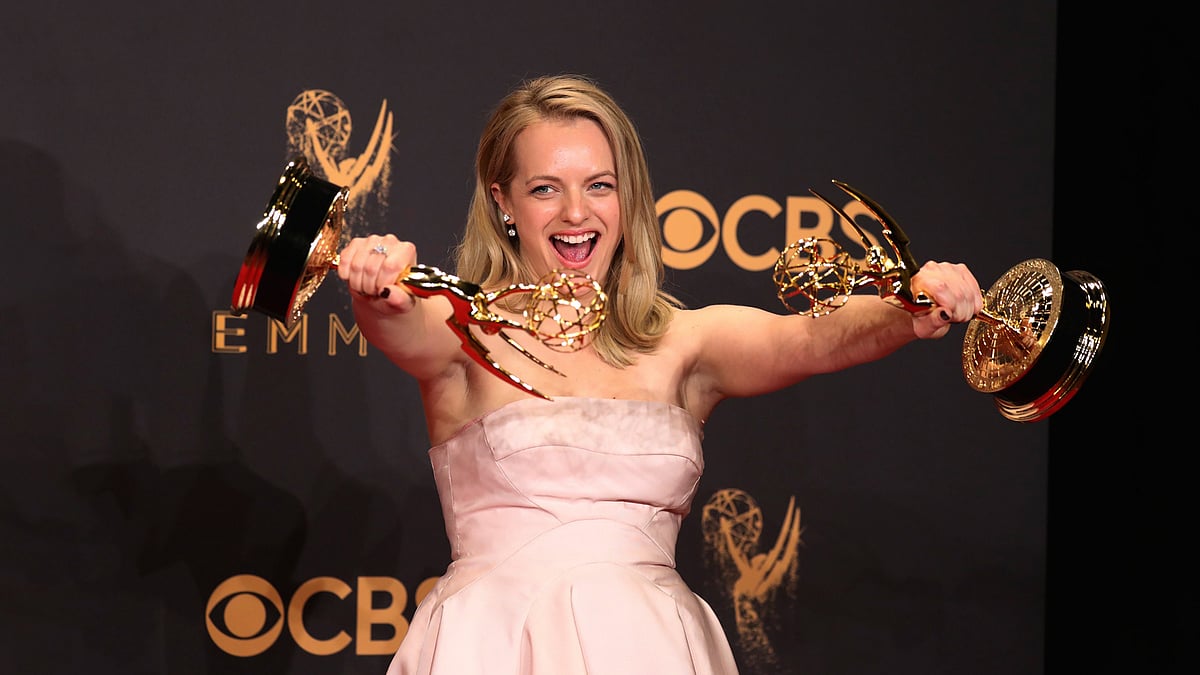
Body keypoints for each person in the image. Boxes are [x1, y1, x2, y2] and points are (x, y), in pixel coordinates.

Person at [335, 74, 984, 675]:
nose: (575, 213)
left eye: (599, 184)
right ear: (503, 201)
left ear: (627, 197)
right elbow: (400, 323)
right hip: (494, 645)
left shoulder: (683, 342)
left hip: (649, 646)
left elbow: (810, 336)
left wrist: (910, 305)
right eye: (544, 188)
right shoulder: (463, 332)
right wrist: (374, 289)